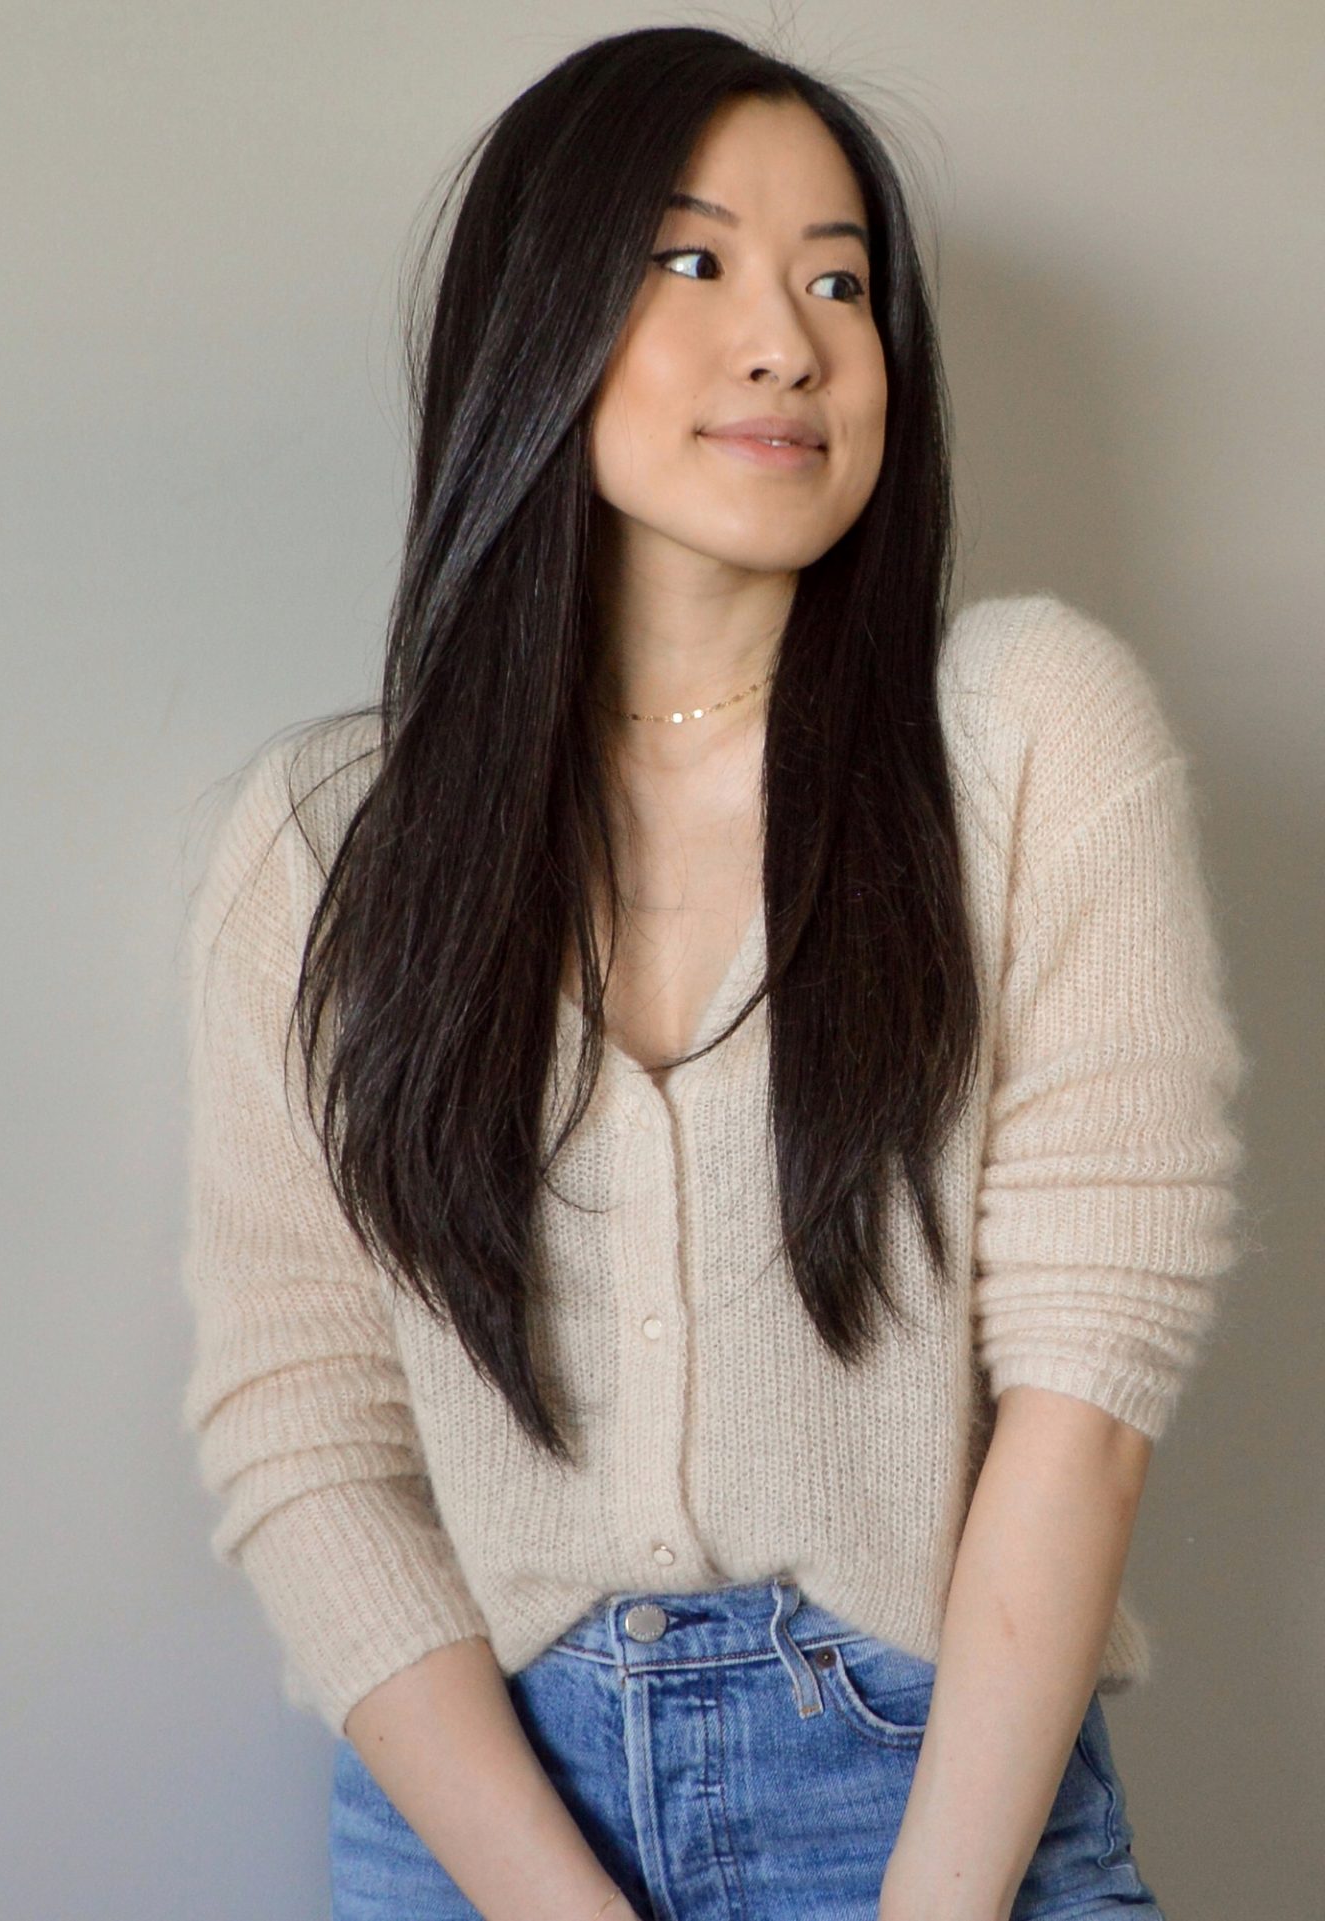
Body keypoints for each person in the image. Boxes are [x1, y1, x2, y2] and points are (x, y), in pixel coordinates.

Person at [178, 24, 1248, 1921]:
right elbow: (305, 1431)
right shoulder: (321, 838)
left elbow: (1083, 1403)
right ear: (537, 313)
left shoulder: (1023, 740)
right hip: (470, 1824)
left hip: (934, 1800)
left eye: (840, 280)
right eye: (697, 262)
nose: (791, 339)